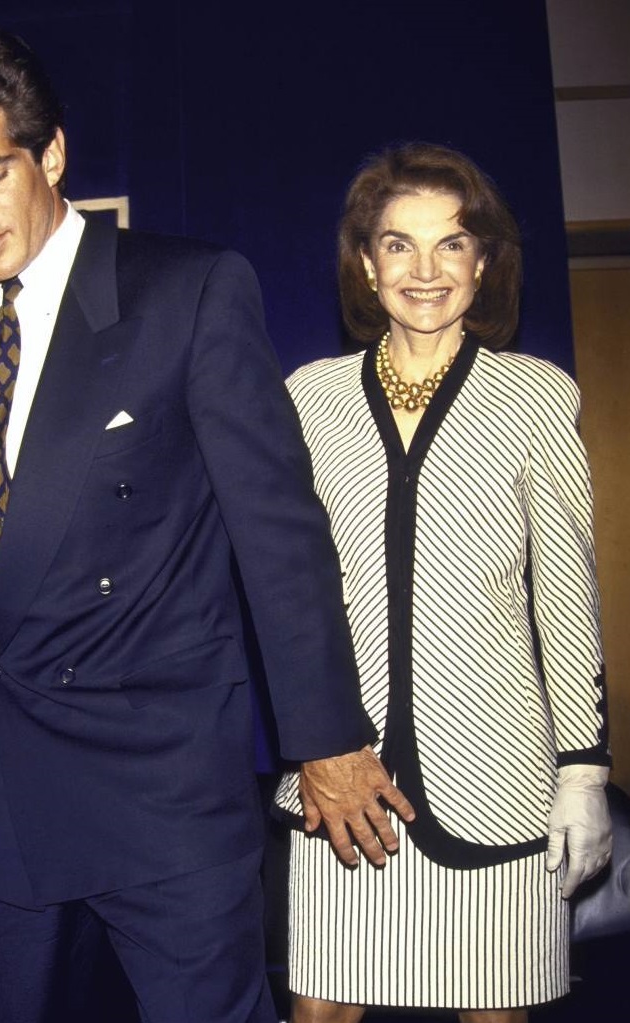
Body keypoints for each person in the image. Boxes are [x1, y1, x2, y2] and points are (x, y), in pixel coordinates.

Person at [0, 26, 415, 1023]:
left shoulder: (187, 290)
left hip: (159, 774)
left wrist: (327, 739)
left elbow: (279, 536)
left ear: (53, 155)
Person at [273, 142, 613, 1023]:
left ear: (484, 261)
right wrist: (313, 740)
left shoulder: (537, 394)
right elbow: (285, 589)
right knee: (322, 1011)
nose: (424, 270)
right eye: (396, 244)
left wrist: (582, 769)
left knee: (491, 1010)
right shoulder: (307, 397)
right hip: (346, 773)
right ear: (364, 262)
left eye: (451, 244)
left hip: (497, 770)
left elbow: (565, 597)